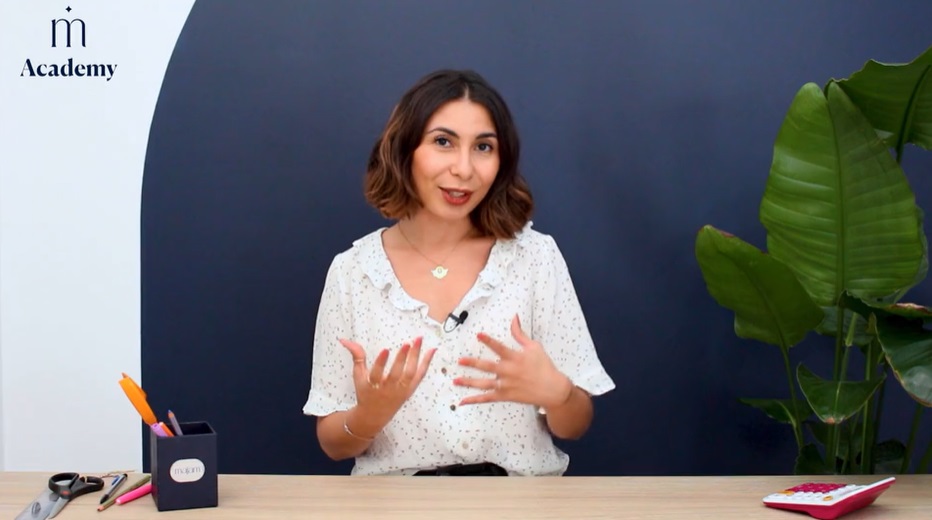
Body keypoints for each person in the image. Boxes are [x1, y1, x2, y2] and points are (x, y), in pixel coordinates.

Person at [303, 69, 615, 476]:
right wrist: (369, 414)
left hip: (519, 500)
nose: (464, 169)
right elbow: (333, 443)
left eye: (483, 147)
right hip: (396, 502)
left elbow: (575, 424)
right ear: (404, 150)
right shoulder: (352, 272)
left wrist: (559, 394)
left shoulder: (536, 257)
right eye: (443, 142)